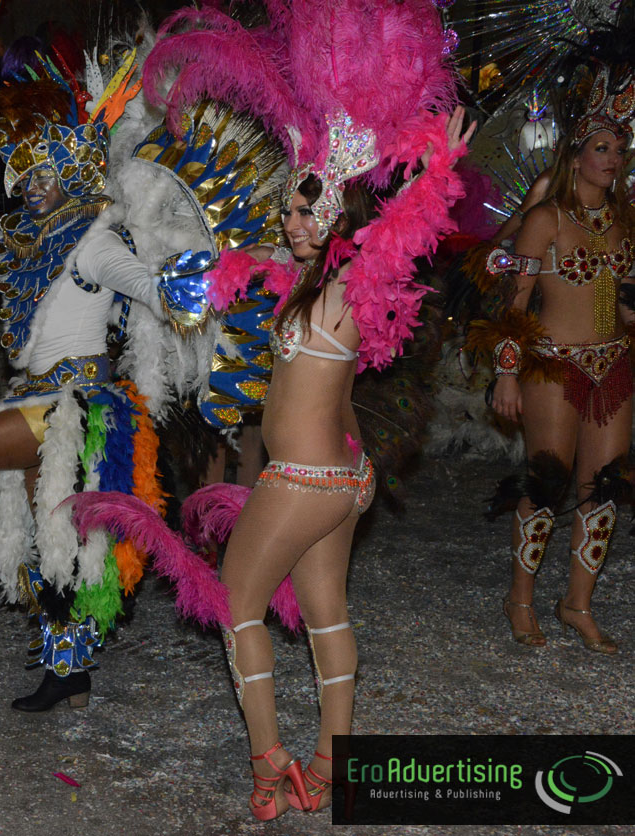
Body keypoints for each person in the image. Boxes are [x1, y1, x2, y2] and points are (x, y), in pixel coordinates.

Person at [100, 2, 471, 819]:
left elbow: (393, 239)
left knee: (236, 604)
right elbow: (254, 273)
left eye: (307, 211)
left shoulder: (346, 288)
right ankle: (332, 764)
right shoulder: (305, 284)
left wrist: (435, 172)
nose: (292, 220)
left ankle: (269, 763)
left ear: (339, 217)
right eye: (292, 208)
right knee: (327, 615)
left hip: (302, 479)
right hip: (340, 477)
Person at [0, 50, 229, 713]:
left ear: (74, 174)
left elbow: (145, 286)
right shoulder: (18, 243)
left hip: (73, 404)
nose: (30, 185)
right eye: (22, 174)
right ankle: (68, 671)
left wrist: (184, 281)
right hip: (32, 397)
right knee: (52, 545)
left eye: (44, 173)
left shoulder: (94, 242)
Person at [469, 66, 634, 655]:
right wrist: (507, 374)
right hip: (551, 366)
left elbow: (618, 303)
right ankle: (520, 600)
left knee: (603, 488)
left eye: (619, 149)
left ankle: (577, 604)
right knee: (547, 485)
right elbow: (513, 305)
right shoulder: (546, 220)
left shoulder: (625, 221)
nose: (612, 158)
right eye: (601, 147)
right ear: (576, 153)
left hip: (613, 366)